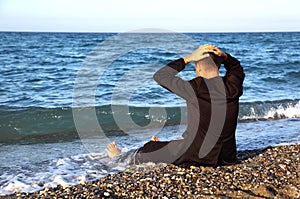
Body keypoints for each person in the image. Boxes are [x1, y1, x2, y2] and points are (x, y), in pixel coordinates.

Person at [107, 44, 245, 166]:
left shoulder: (195, 87)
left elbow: (160, 76)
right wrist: (225, 56)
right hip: (227, 157)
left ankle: (119, 157)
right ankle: (158, 145)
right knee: (164, 146)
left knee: (149, 148)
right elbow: (236, 67)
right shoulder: (233, 85)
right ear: (219, 66)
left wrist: (188, 58)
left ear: (198, 68)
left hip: (197, 155)